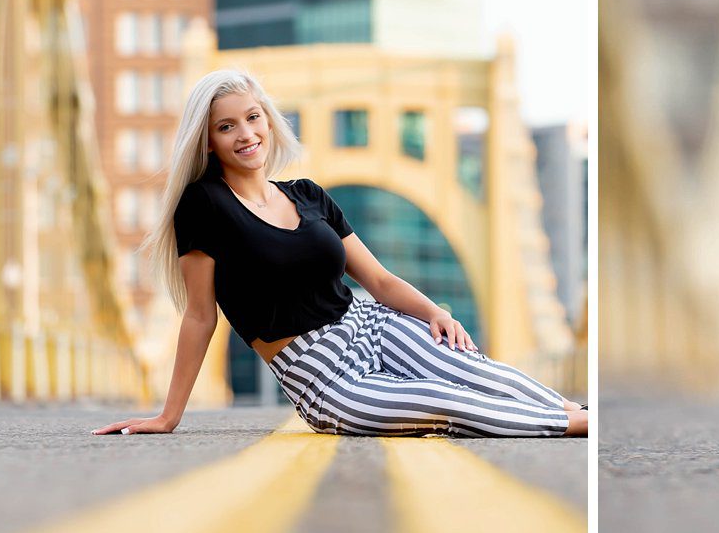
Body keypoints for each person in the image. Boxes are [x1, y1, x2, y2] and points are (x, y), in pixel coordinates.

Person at [96, 69, 587, 439]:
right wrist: (169, 415)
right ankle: (577, 426)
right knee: (443, 401)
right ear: (207, 139)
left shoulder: (308, 194)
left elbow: (379, 281)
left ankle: (580, 414)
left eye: (252, 117)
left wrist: (437, 313)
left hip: (373, 324)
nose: (246, 134)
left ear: (268, 119)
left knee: (475, 370)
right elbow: (201, 317)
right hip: (319, 374)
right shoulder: (204, 204)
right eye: (226, 127)